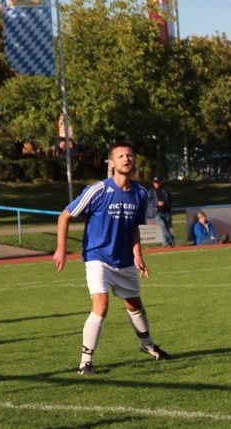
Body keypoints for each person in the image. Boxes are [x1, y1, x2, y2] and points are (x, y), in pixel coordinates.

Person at [53, 141, 172, 376]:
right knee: (101, 304)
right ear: (112, 162)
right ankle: (85, 362)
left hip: (124, 260)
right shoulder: (98, 190)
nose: (126, 159)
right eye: (121, 156)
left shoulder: (141, 193)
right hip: (97, 257)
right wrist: (61, 249)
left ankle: (147, 345)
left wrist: (138, 254)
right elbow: (64, 216)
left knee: (134, 305)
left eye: (129, 155)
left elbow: (134, 228)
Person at [149, 177, 175, 247]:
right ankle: (170, 239)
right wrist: (157, 203)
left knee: (167, 227)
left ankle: (165, 243)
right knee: (162, 225)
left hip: (166, 211)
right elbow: (149, 202)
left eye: (157, 182)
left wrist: (164, 203)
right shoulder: (151, 192)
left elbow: (169, 201)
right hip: (157, 212)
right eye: (155, 183)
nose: (156, 184)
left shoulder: (165, 191)